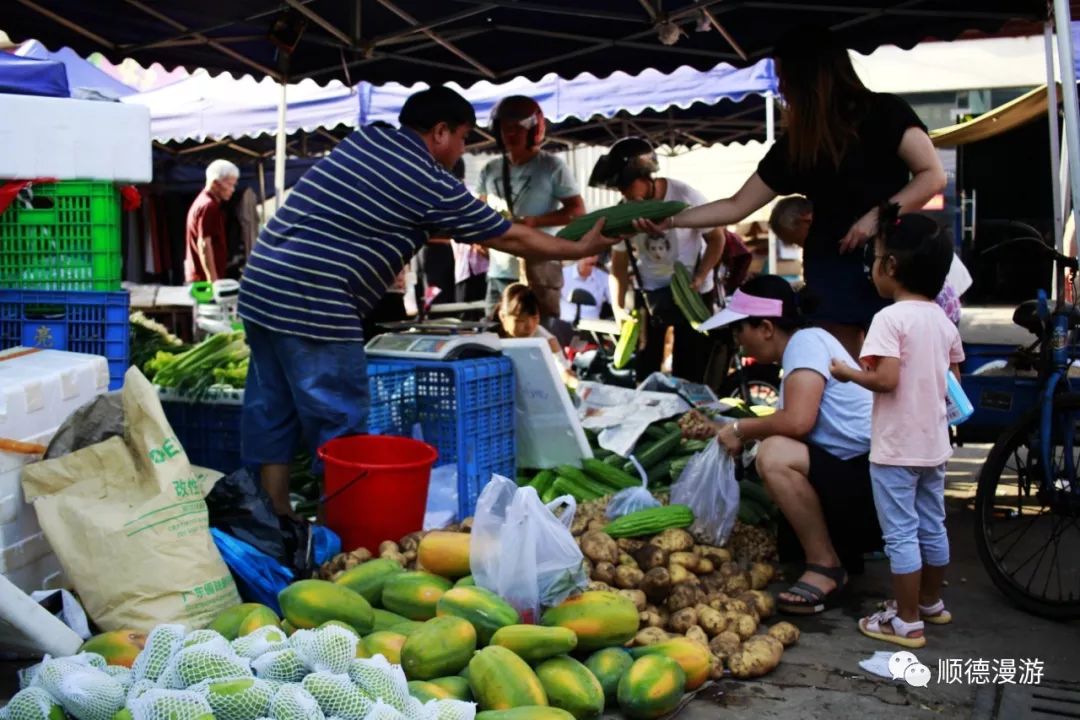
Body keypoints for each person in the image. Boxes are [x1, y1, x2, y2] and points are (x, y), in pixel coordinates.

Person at [237, 86, 616, 517]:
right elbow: (509, 236)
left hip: (263, 284)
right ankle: (342, 533)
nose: (461, 152)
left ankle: (274, 518)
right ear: (440, 132)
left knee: (274, 406)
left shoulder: (367, 139)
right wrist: (579, 247)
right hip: (315, 296)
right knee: (339, 420)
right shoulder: (426, 180)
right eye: (461, 138)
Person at [633, 25, 947, 362]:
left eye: (783, 76)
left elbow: (932, 176)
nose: (780, 86)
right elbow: (737, 205)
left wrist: (877, 216)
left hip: (892, 262)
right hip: (831, 266)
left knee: (893, 370)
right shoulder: (799, 142)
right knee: (843, 374)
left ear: (808, 76)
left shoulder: (886, 112)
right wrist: (673, 220)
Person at [705, 275, 879, 615]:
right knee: (772, 447)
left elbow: (798, 421)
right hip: (860, 474)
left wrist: (740, 429)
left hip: (871, 482)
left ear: (767, 327)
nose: (738, 342)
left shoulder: (805, 344)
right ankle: (833, 555)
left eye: (739, 330)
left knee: (774, 455)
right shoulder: (807, 345)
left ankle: (826, 566)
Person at [829, 204, 962, 648]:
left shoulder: (889, 318)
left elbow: (885, 380)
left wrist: (849, 373)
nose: (871, 267)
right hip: (933, 445)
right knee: (932, 525)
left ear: (889, 266)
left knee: (901, 534)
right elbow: (954, 384)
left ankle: (905, 622)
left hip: (895, 449)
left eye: (875, 258)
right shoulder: (943, 320)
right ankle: (929, 604)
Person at [590, 137, 725, 382]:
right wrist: (619, 307)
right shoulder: (623, 211)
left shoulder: (684, 196)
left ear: (645, 177)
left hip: (692, 291)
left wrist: (701, 275)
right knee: (646, 368)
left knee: (690, 368)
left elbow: (717, 239)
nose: (623, 194)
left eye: (626, 186)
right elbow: (618, 266)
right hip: (652, 295)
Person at [478, 96, 586, 318]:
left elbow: (577, 211)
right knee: (494, 336)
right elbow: (479, 209)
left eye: (519, 128)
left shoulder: (552, 166)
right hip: (499, 271)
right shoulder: (489, 169)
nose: (511, 134)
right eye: (506, 128)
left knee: (540, 337)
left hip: (540, 269)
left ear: (534, 130)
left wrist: (535, 222)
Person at [495, 282, 571, 375]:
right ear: (502, 316)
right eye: (520, 320)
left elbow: (564, 372)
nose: (529, 326)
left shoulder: (544, 338)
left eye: (535, 318)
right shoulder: (488, 339)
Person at [185, 159, 239, 282]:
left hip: (201, 276)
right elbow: (204, 244)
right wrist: (212, 280)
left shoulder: (205, 202)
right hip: (204, 280)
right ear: (215, 183)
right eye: (230, 184)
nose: (232, 189)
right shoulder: (209, 206)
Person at [560, 255, 610, 324]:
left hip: (592, 327)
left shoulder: (604, 278)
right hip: (565, 323)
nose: (590, 268)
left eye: (593, 264)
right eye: (587, 264)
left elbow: (614, 301)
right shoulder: (563, 274)